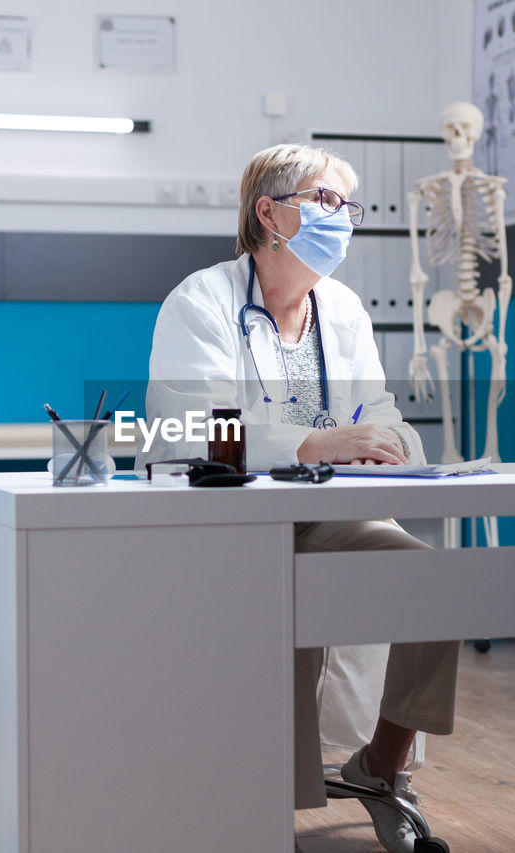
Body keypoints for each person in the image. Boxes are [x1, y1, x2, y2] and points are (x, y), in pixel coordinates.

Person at [139, 144, 460, 853]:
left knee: (434, 582)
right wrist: (312, 444)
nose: (341, 217)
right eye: (324, 201)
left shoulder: (341, 309)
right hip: (228, 524)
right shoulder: (202, 302)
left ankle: (381, 766)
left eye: (347, 205)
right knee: (271, 593)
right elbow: (188, 429)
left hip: (329, 515)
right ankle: (256, 806)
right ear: (268, 213)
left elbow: (379, 410)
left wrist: (393, 443)